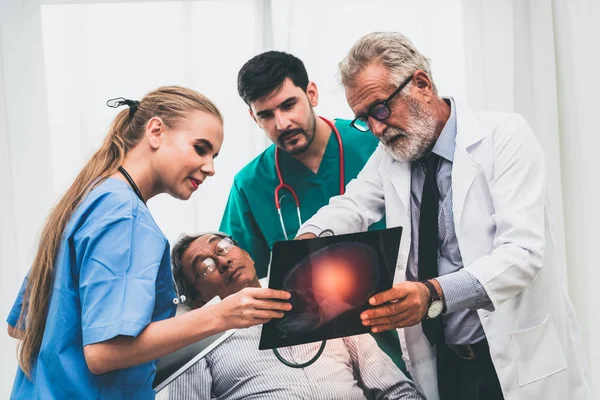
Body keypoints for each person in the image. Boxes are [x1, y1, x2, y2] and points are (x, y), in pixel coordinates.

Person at [296, 32, 591, 400]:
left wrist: (433, 293)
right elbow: (353, 206)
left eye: (381, 109)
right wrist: (306, 243)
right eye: (363, 120)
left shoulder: (504, 136)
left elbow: (523, 254)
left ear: (421, 84)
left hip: (514, 359)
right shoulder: (392, 154)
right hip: (445, 363)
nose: (375, 129)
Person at [6, 86, 291, 399]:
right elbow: (103, 352)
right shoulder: (126, 219)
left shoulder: (89, 202)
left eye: (214, 156)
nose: (210, 168)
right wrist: (223, 315)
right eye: (200, 148)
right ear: (155, 131)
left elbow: (22, 327)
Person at [218, 51, 405, 372]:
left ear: (312, 94)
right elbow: (238, 282)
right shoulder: (251, 185)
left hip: (403, 318)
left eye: (289, 105)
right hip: (321, 352)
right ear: (253, 118)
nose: (281, 123)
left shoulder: (375, 141)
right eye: (265, 115)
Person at [168, 232, 424, 400]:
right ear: (199, 301)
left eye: (223, 247)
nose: (222, 261)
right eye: (205, 267)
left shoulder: (324, 301)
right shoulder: (198, 342)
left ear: (247, 255)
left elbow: (396, 390)